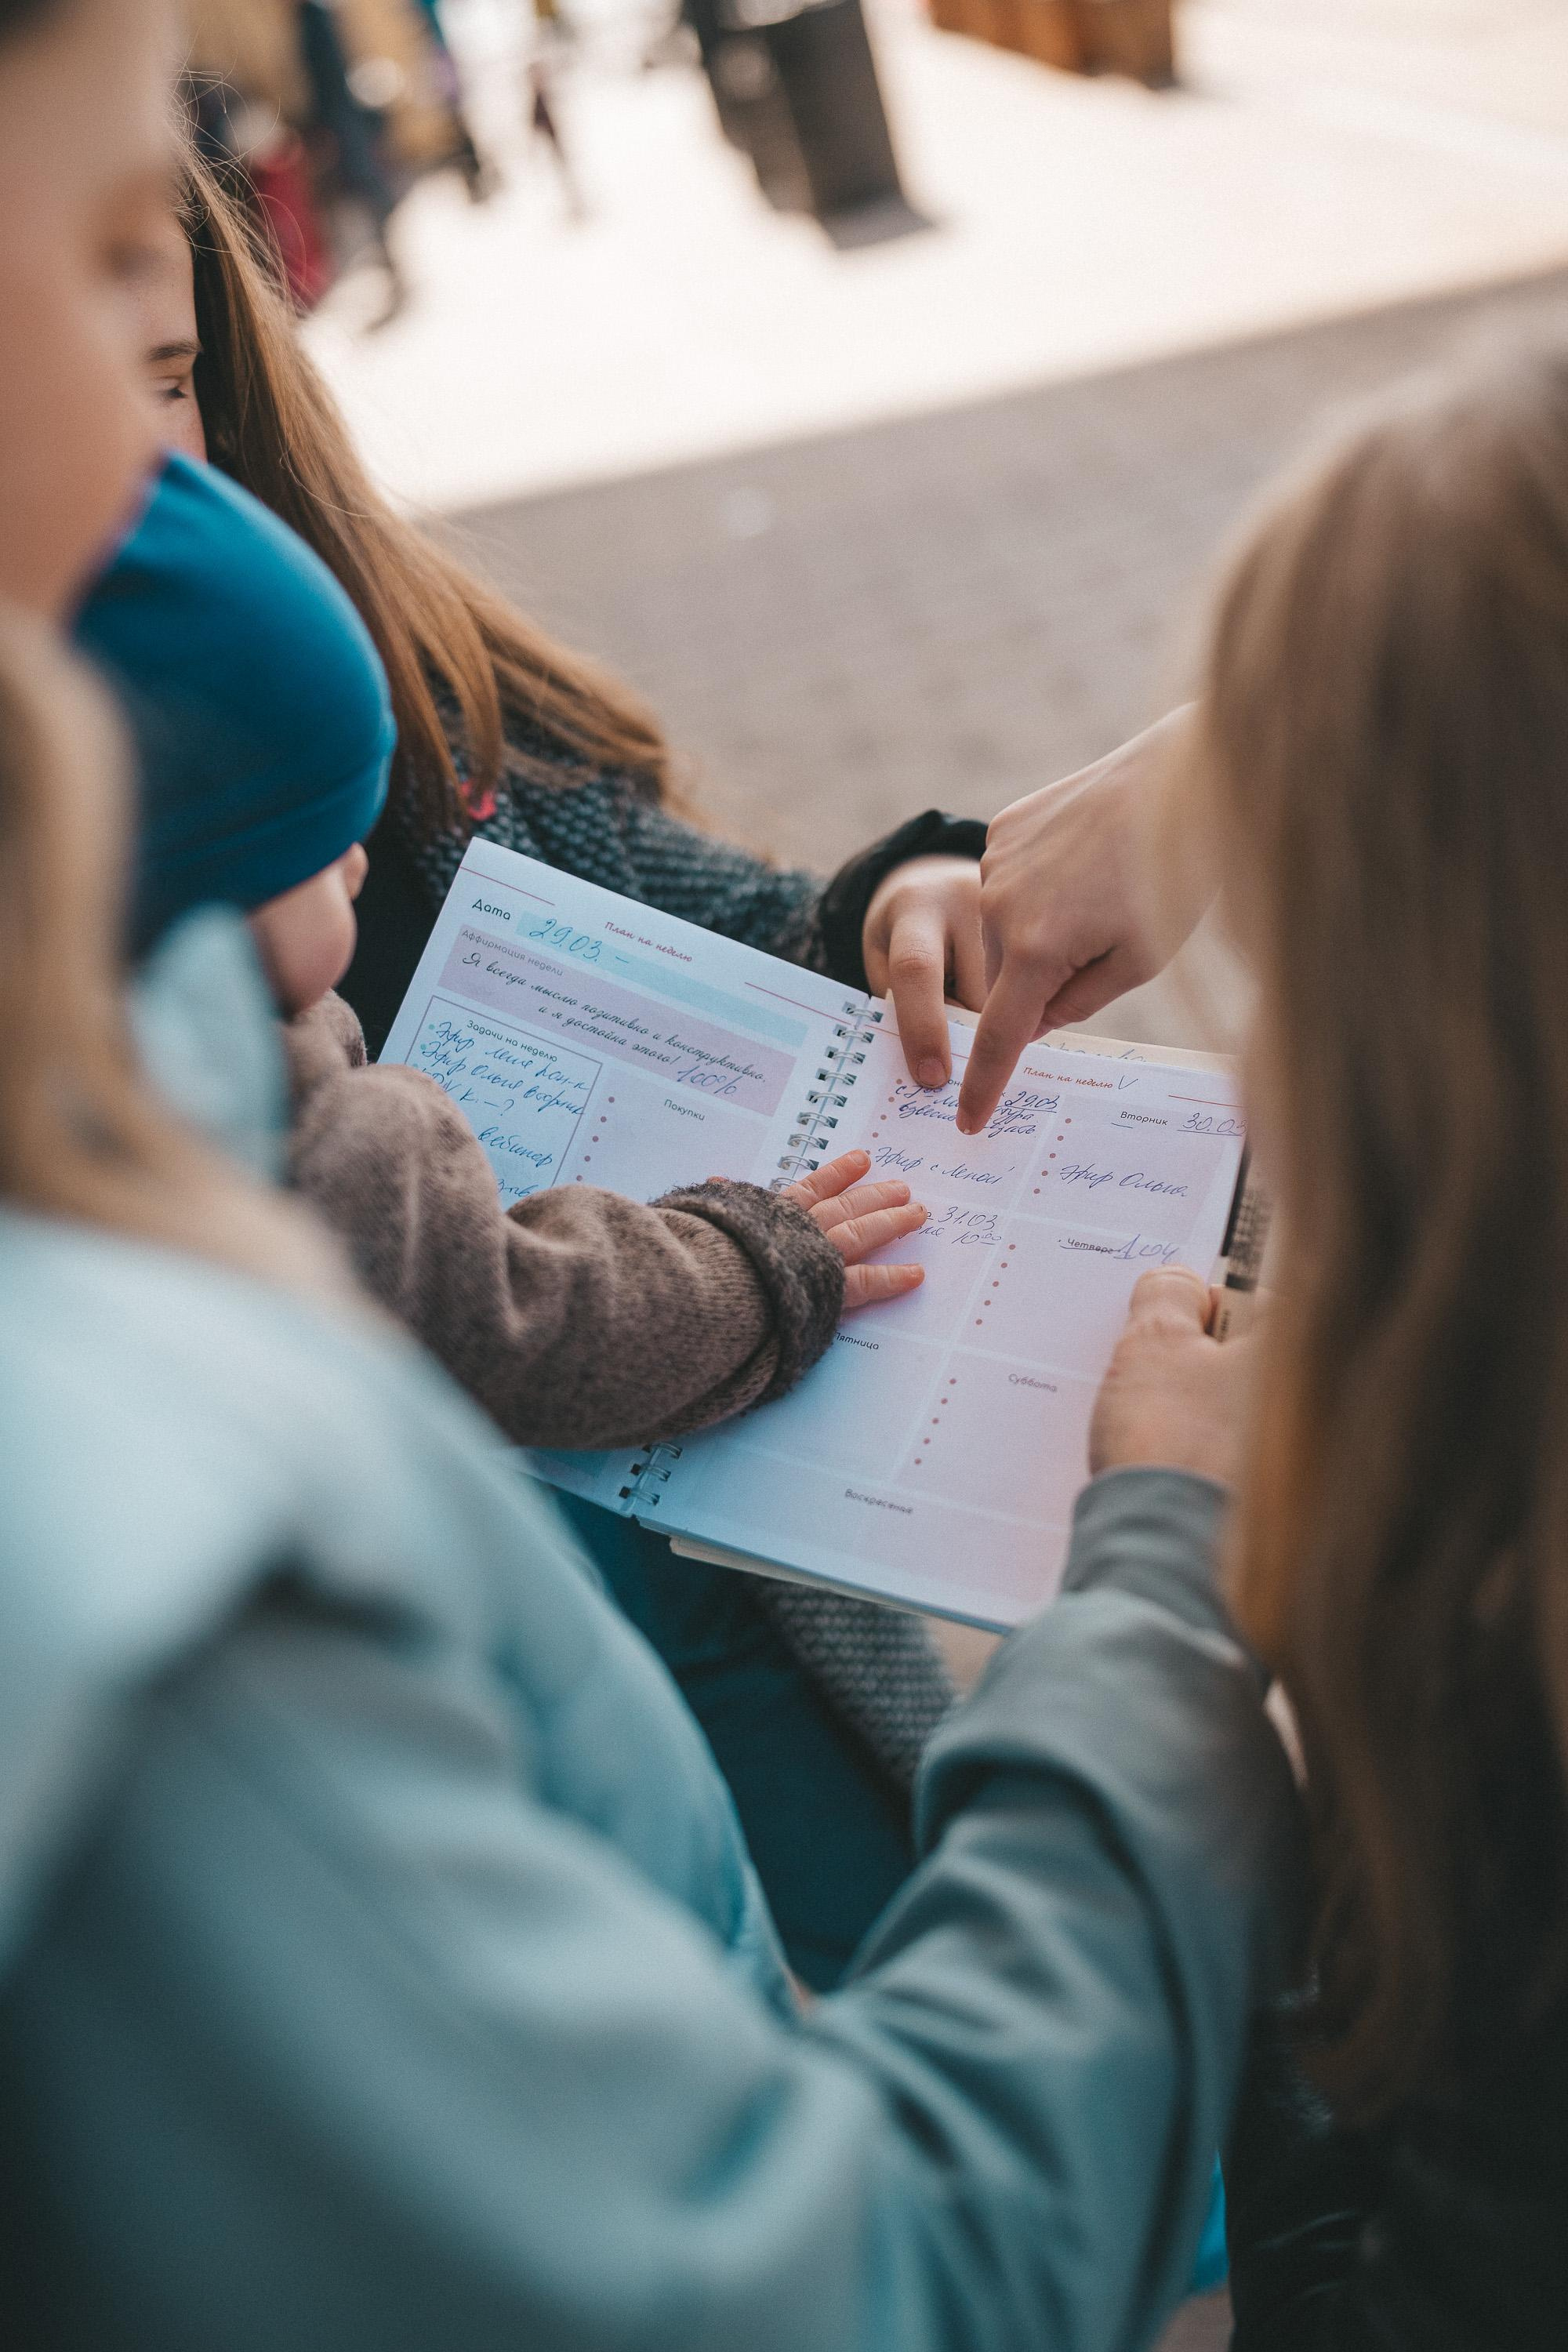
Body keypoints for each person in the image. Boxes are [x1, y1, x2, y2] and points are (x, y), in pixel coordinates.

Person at [2, 6, 1303, 2343]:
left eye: (169, 328)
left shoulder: (362, 730)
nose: (155, 462)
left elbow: (685, 906)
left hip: (741, 1671)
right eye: (83, 288)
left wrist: (873, 918)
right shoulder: (155, 1555)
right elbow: (874, 2265)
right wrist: (1163, 1601)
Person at [119, 142, 997, 1983]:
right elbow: (462, 1293)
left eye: (170, 373)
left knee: (907, 1983)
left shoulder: (391, 683)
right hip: (423, 1750)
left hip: (718, 1593)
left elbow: (730, 928)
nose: (148, 469)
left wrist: (902, 898)